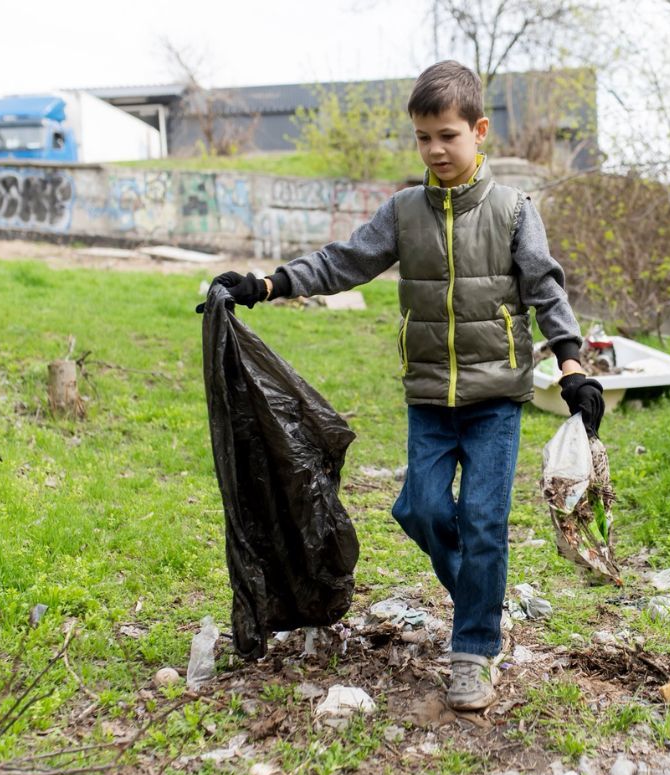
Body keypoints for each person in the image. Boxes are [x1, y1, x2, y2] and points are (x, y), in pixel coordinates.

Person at [200, 60, 604, 711]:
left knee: (482, 522)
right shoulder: (403, 212)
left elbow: (545, 289)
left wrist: (572, 366)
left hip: (496, 398)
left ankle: (474, 649)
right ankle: (482, 596)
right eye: (424, 138)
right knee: (418, 509)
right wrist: (268, 283)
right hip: (430, 400)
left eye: (448, 134)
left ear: (478, 131)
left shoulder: (512, 211)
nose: (436, 149)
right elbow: (343, 261)